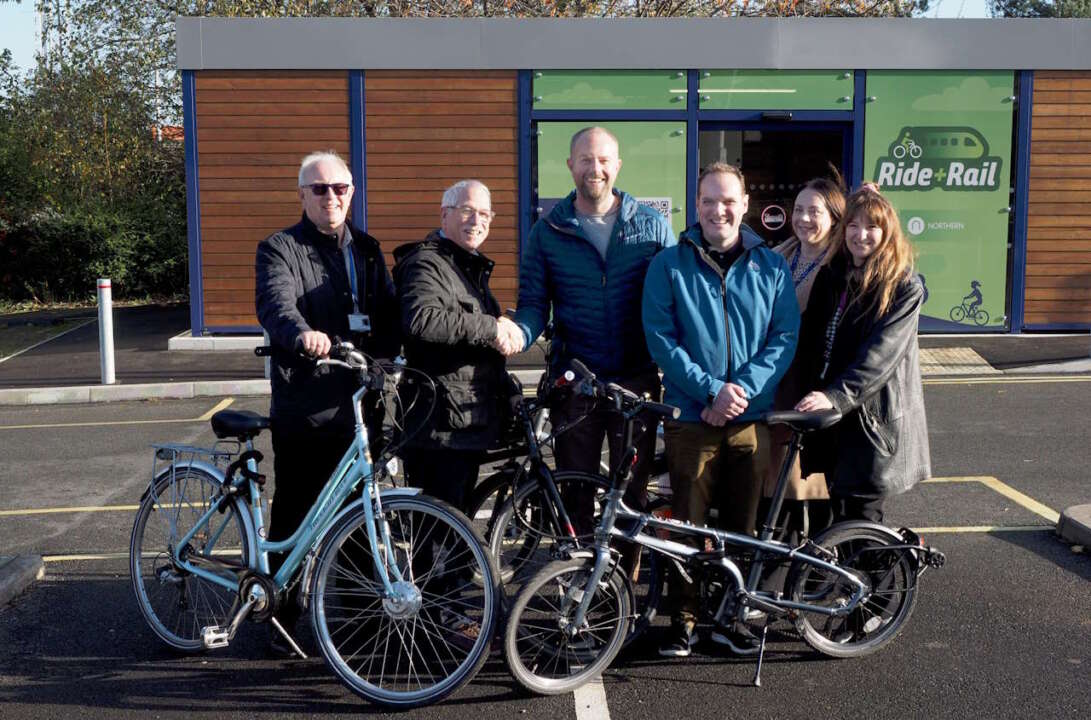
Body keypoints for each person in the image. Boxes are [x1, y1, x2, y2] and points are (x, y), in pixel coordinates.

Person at [642, 162, 799, 658]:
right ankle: (684, 622)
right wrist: (710, 392)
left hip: (750, 420)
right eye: (709, 200)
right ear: (697, 206)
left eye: (728, 200)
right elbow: (661, 340)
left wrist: (741, 393)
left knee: (742, 527)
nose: (718, 210)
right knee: (685, 526)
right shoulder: (669, 264)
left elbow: (784, 338)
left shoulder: (771, 266)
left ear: (745, 204)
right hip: (692, 419)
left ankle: (730, 618)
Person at [255, 149, 400, 649]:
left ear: (352, 192)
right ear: (302, 195)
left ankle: (359, 619)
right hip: (307, 406)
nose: (331, 197)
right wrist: (302, 334)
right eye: (320, 189)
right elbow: (277, 304)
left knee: (362, 515)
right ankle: (278, 612)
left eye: (340, 188)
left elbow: (386, 316)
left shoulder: (367, 249)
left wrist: (390, 359)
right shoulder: (280, 248)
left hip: (360, 406)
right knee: (295, 510)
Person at [501, 126, 675, 523]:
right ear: (570, 165)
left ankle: (622, 582)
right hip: (576, 381)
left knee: (631, 493)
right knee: (574, 490)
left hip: (636, 380)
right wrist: (518, 332)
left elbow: (674, 302)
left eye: (602, 160)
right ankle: (576, 580)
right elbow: (532, 305)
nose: (594, 169)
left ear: (617, 165)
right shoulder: (547, 232)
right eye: (585, 160)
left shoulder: (651, 227)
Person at [794, 187, 931, 524]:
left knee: (861, 518)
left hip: (870, 420)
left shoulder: (902, 286)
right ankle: (842, 576)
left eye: (872, 227)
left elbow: (880, 356)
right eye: (853, 225)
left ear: (888, 233)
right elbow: (810, 342)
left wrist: (835, 396)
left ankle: (879, 575)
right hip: (831, 417)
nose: (861, 235)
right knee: (836, 516)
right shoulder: (832, 276)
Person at [393, 180, 512, 514]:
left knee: (455, 529)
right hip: (438, 427)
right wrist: (492, 328)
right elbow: (422, 320)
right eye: (467, 211)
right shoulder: (427, 264)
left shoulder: (466, 265)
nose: (477, 221)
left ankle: (457, 569)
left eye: (485, 214)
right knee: (436, 531)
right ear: (445, 215)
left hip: (463, 421)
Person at [760, 177, 846, 543]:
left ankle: (811, 566)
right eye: (798, 210)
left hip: (810, 383)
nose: (804, 218)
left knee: (805, 484)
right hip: (771, 380)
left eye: (815, 211)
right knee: (771, 478)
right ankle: (772, 558)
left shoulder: (841, 265)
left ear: (835, 217)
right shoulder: (778, 255)